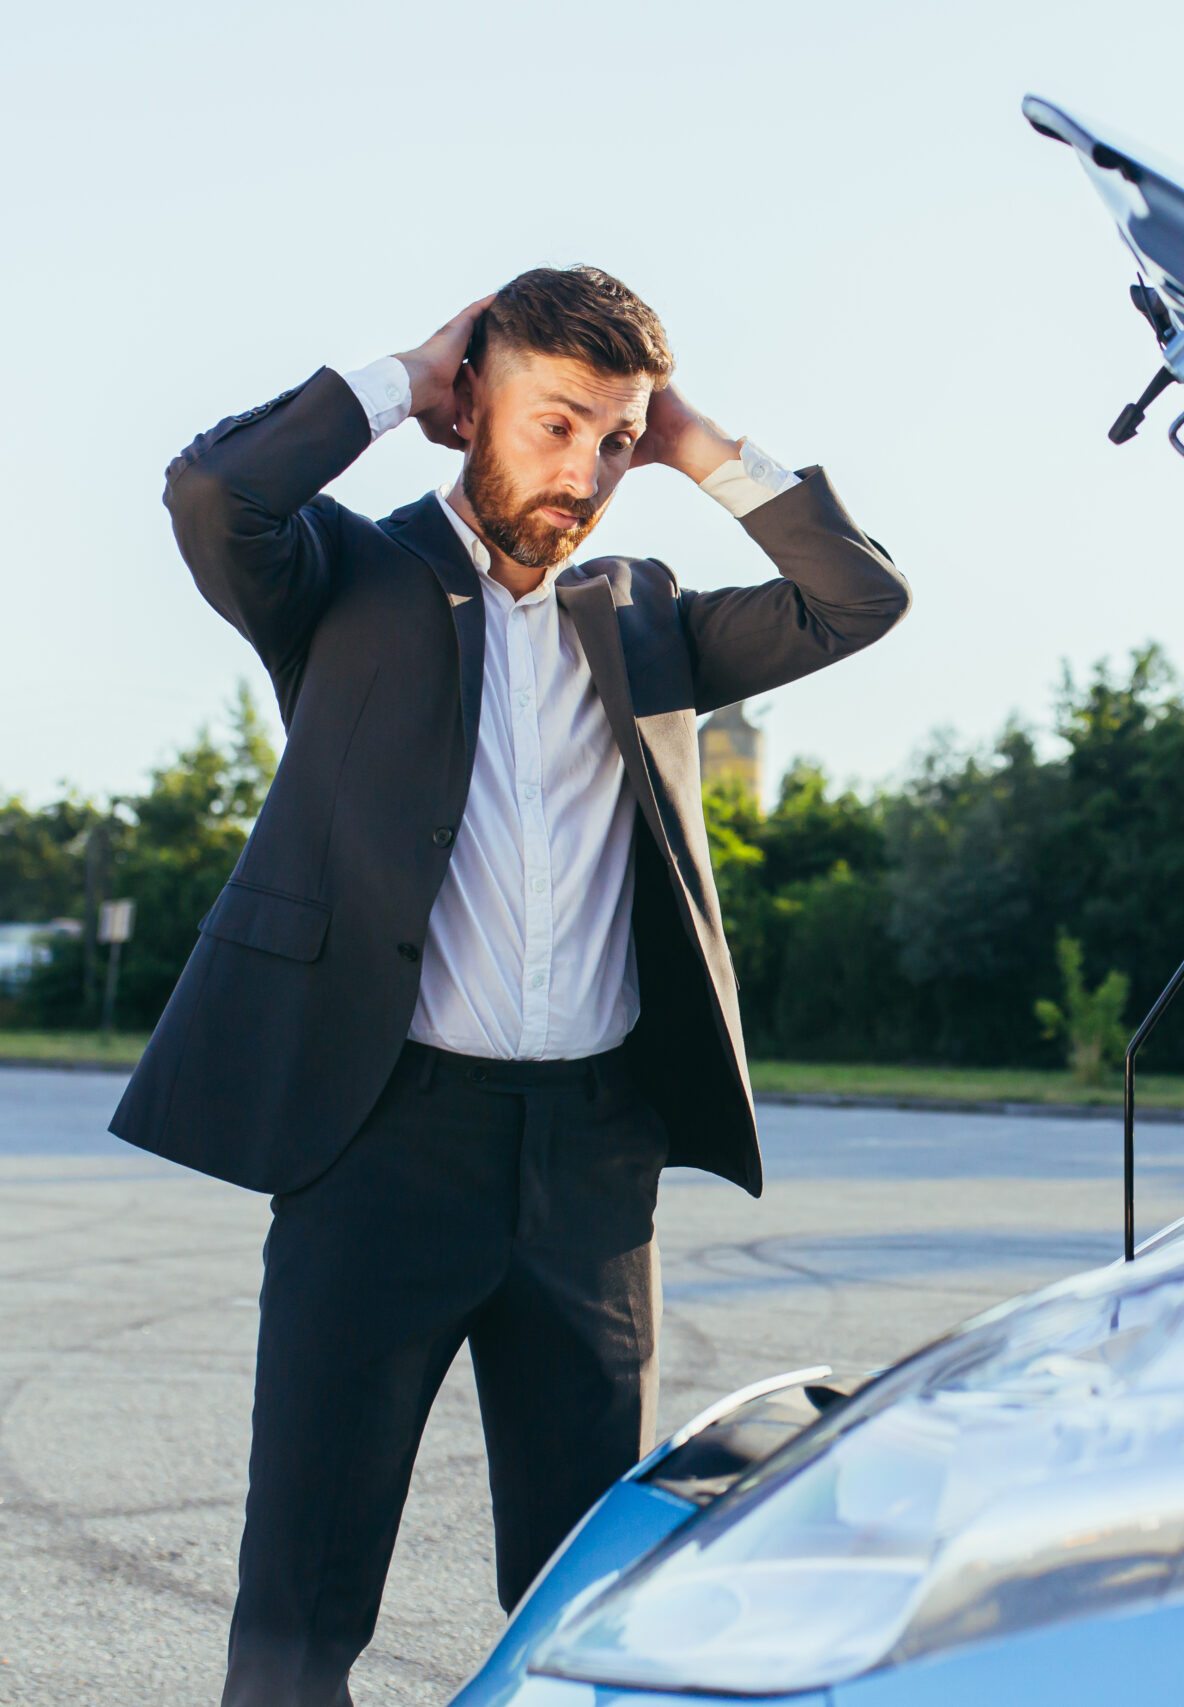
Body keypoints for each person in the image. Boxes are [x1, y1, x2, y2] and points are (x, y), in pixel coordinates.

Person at [110, 267, 910, 1706]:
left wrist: (701, 448)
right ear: (472, 403)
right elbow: (210, 496)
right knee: (301, 1605)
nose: (586, 470)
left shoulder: (646, 612)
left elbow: (858, 598)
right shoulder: (345, 578)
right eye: (556, 424)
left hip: (592, 1175)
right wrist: (396, 378)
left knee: (586, 1610)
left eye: (614, 438)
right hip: (380, 1146)